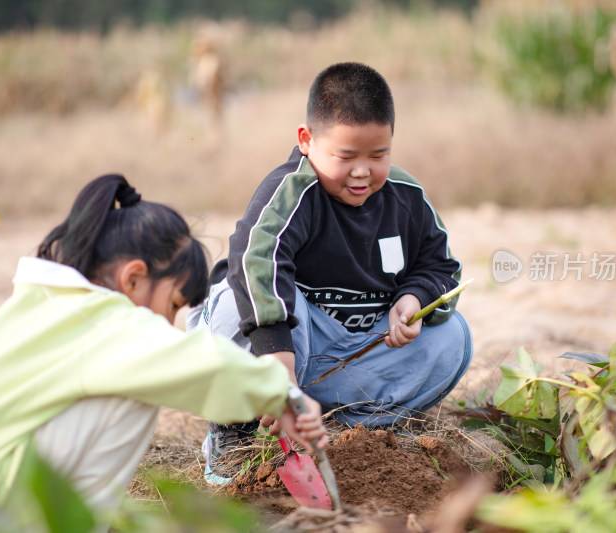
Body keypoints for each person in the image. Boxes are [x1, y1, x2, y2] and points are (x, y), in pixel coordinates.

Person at [0, 174, 327, 522]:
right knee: (139, 390)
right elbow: (198, 364)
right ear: (133, 278)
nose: (168, 325)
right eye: (172, 306)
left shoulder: (28, 314)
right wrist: (283, 394)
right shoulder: (102, 324)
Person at [188, 62, 472, 485]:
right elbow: (256, 261)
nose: (362, 171)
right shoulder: (291, 193)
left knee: (453, 337)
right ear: (307, 141)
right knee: (235, 298)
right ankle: (235, 433)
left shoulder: (406, 197)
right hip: (286, 345)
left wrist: (411, 299)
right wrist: (278, 370)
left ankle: (348, 427)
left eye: (378, 155)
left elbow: (440, 266)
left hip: (353, 351)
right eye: (346, 156)